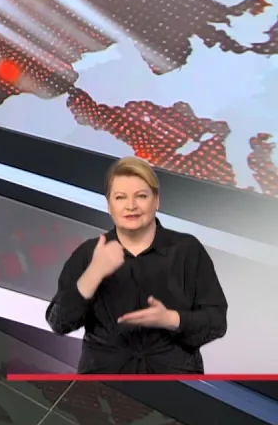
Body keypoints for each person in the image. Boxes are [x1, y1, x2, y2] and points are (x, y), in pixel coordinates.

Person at [46, 156, 227, 374]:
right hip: (104, 381)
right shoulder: (89, 253)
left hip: (175, 382)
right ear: (109, 205)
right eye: (120, 197)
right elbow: (59, 323)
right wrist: (93, 274)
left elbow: (217, 322)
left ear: (156, 200)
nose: (131, 206)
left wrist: (171, 319)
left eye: (141, 196)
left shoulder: (187, 250)